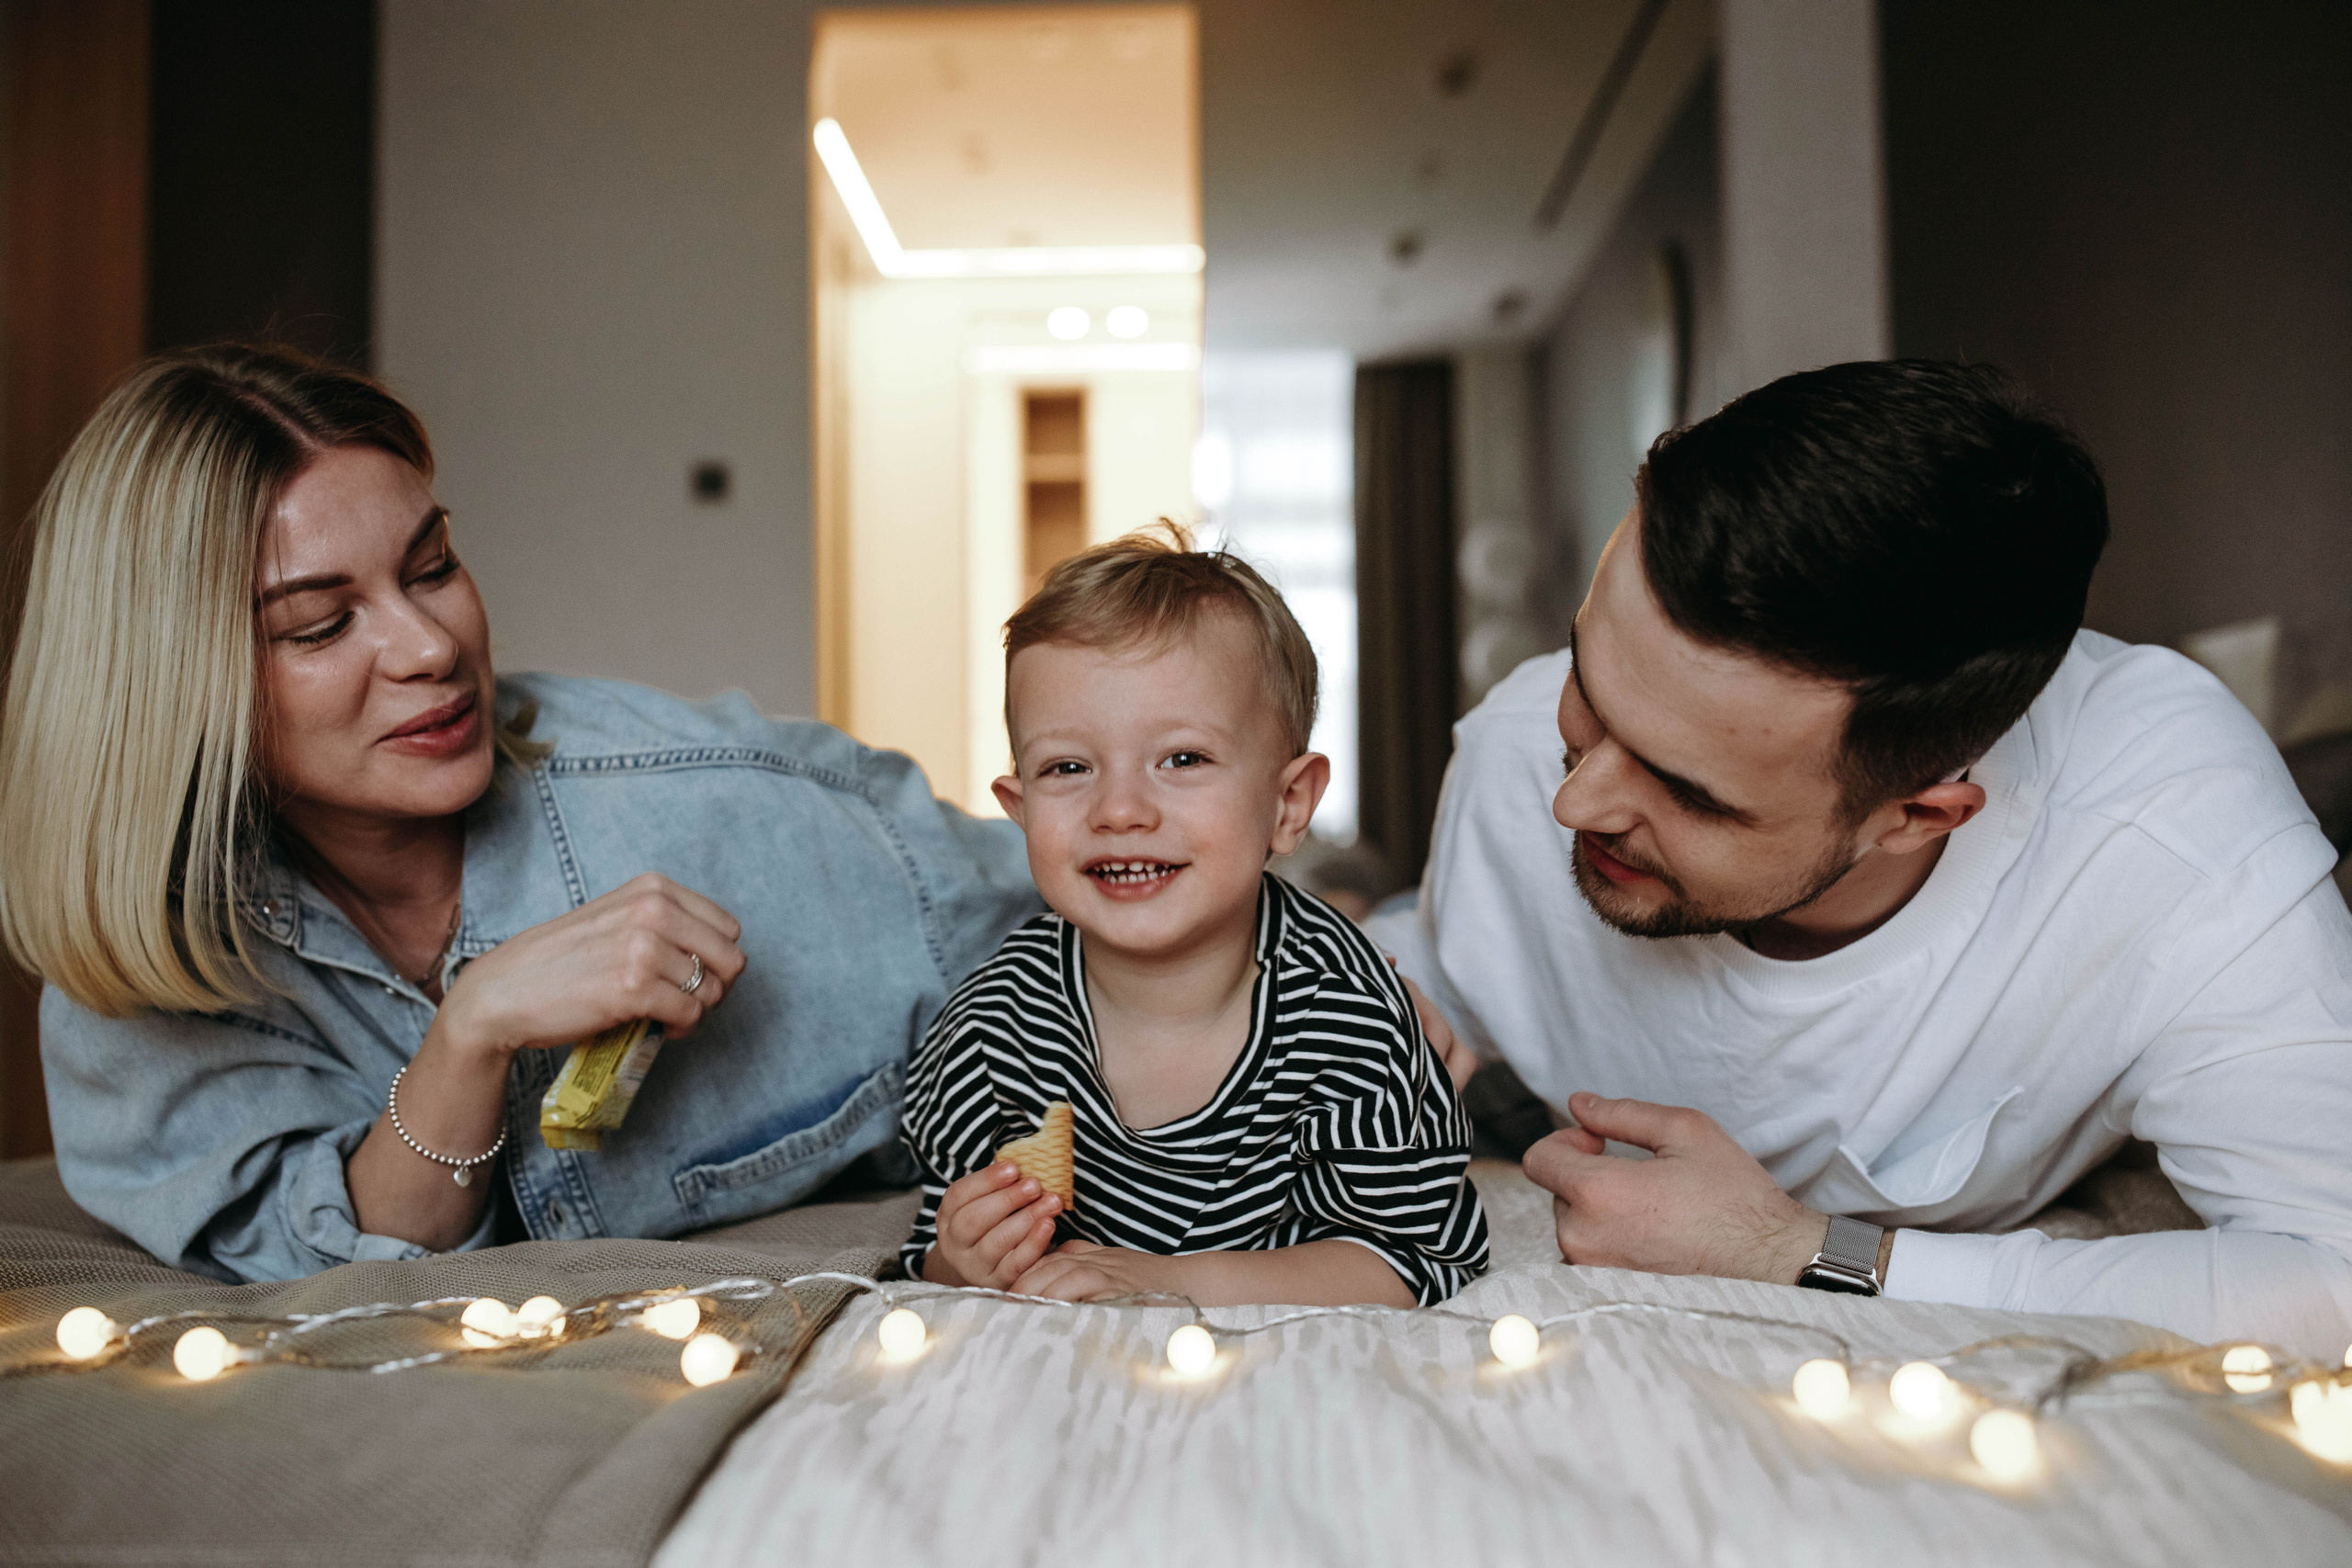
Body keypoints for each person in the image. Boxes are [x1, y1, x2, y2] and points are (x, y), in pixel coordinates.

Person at [0, 344, 1038, 1283]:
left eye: (433, 567)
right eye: (319, 625)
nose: (429, 648)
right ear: (162, 684)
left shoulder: (716, 802)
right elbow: (343, 1262)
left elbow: (1075, 914)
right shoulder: (142, 957)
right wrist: (473, 1031)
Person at [1374, 360, 2352, 1356]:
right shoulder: (1508, 751)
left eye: (1684, 789)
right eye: (1588, 685)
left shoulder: (2170, 841)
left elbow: (2334, 1275)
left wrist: (1800, 1251)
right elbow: (1440, 967)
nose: (1571, 799)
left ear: (1919, 815)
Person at [899, 533, 1489, 1306]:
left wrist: (1176, 1281)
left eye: (1182, 759)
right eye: (1068, 768)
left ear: (1288, 804)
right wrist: (960, 1257)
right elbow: (930, 1252)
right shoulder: (992, 1029)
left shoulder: (1351, 1015)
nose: (1119, 810)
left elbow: (1414, 1259)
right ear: (1019, 809)